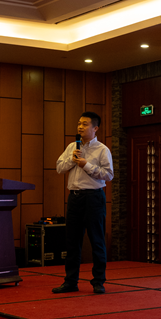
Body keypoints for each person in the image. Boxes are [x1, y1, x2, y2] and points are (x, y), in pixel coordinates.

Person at [52, 112, 113, 294]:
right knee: (72, 242)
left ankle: (98, 281)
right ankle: (71, 282)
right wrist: (72, 159)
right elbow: (59, 168)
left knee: (97, 240)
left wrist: (86, 165)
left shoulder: (102, 149)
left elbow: (108, 175)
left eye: (85, 124)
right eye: (79, 123)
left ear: (95, 128)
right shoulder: (72, 146)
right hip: (75, 198)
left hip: (94, 198)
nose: (80, 127)